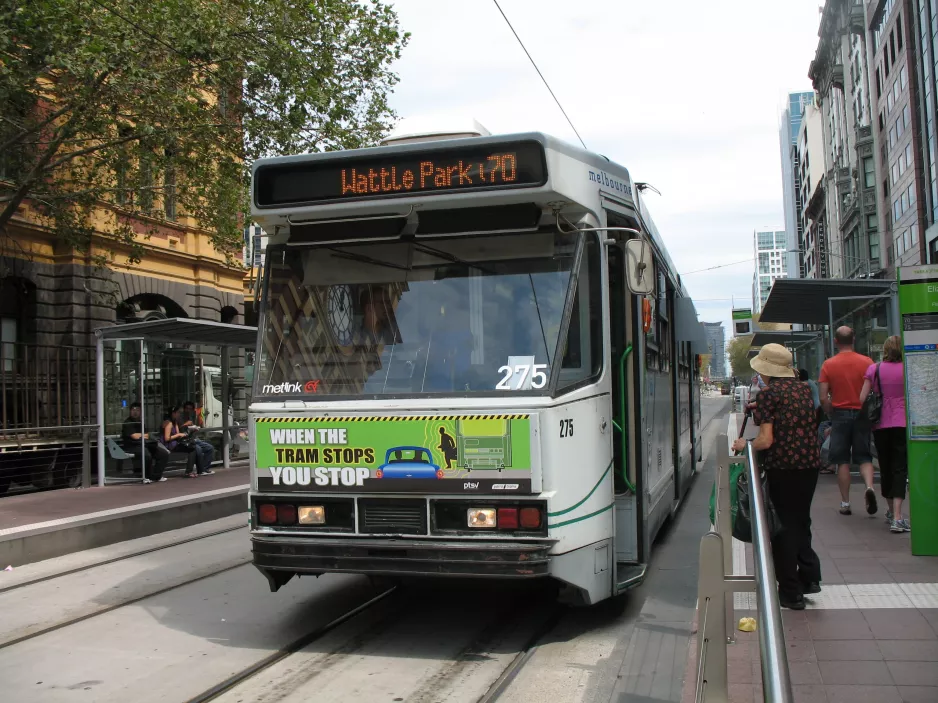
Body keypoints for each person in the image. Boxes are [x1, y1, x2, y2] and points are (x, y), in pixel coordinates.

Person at [732, 344, 822, 610]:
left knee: (781, 527)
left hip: (783, 466)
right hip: (810, 465)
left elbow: (766, 439)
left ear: (767, 369)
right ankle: (810, 577)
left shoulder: (769, 395)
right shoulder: (805, 389)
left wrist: (743, 445)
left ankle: (790, 592)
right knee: (801, 521)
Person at [819, 326, 877, 516]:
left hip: (840, 413)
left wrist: (829, 410)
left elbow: (822, 397)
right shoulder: (867, 362)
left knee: (842, 460)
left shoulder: (828, 364)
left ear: (835, 341)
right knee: (864, 456)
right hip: (862, 413)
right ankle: (869, 487)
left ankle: (845, 502)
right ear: (853, 340)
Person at [860, 335, 910, 533]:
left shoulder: (875, 369)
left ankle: (891, 512)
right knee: (900, 468)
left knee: (886, 467)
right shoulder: (907, 368)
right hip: (903, 424)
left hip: (880, 425)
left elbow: (862, 397)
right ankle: (898, 517)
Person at [121, 402, 169, 483]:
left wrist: (142, 435)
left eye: (138, 410)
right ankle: (146, 477)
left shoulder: (141, 422)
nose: (135, 412)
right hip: (132, 446)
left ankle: (156, 476)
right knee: (147, 455)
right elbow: (134, 436)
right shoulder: (128, 422)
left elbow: (146, 435)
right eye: (133, 410)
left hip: (144, 444)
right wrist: (143, 435)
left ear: (140, 412)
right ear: (130, 411)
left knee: (163, 454)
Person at [161, 405, 199, 478]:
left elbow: (178, 433)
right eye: (178, 413)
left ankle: (189, 471)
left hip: (175, 443)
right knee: (192, 449)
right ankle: (188, 471)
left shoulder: (175, 422)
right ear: (173, 413)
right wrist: (178, 435)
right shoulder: (168, 423)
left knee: (192, 446)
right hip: (169, 445)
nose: (179, 414)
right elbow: (167, 438)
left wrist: (187, 432)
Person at [180, 400, 215, 476]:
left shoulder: (192, 416)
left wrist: (195, 428)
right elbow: (179, 430)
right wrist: (185, 424)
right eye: (187, 408)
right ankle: (201, 470)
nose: (188, 410)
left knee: (210, 448)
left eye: (190, 409)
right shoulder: (180, 418)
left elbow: (193, 429)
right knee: (197, 449)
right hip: (185, 441)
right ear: (184, 409)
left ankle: (205, 468)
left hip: (194, 439)